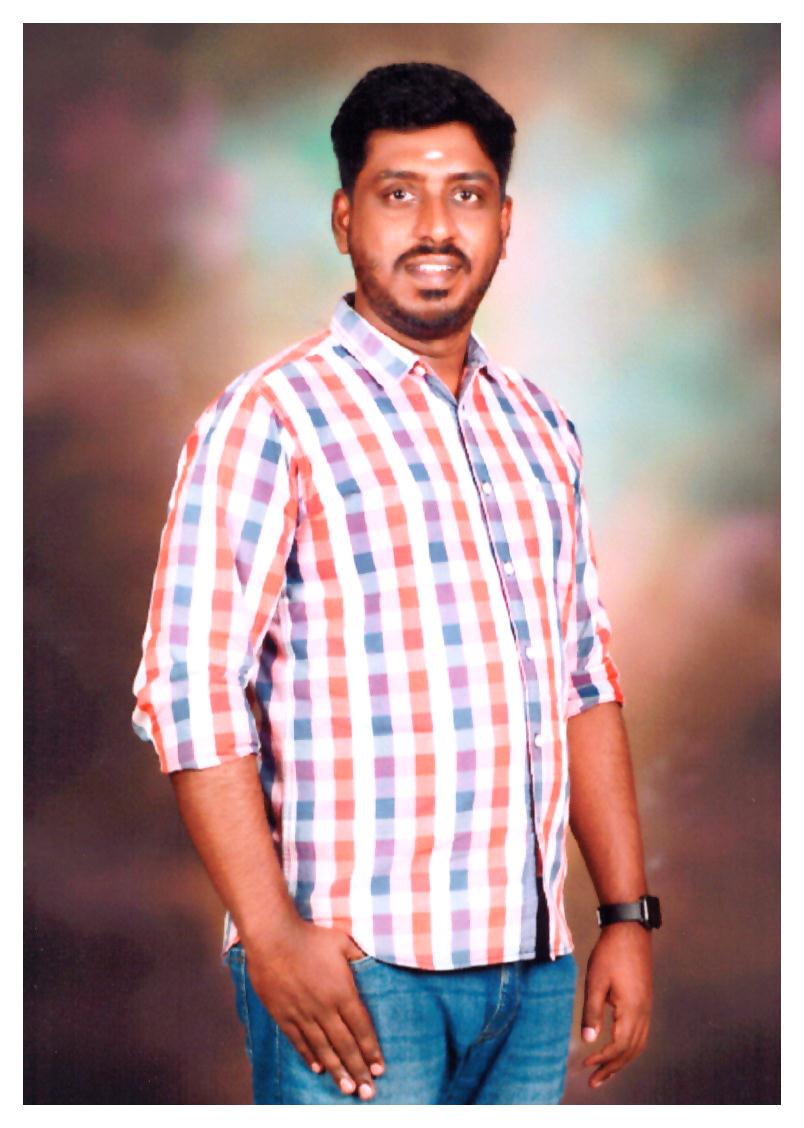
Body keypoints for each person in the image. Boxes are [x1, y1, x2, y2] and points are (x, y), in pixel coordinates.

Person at [132, 61, 660, 1106]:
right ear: (344, 218)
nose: (434, 227)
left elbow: (583, 681)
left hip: (534, 972)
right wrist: (271, 935)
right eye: (397, 192)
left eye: (465, 194)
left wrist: (625, 917)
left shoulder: (541, 428)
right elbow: (186, 691)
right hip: (357, 971)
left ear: (504, 222)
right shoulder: (271, 419)